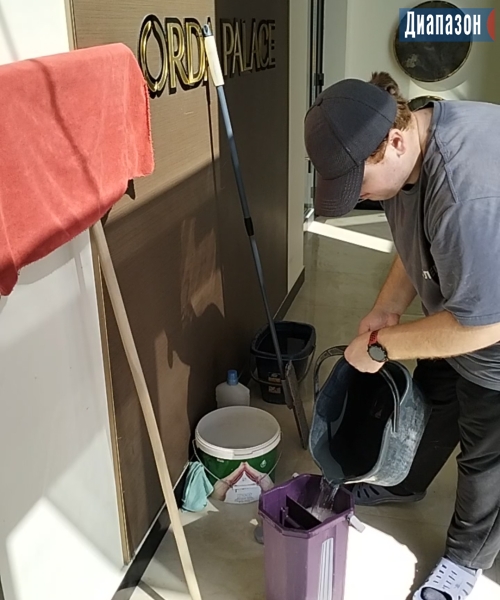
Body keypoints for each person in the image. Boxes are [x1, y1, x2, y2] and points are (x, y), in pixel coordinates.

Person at [304, 72, 500, 600]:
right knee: (435, 400)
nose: (360, 196)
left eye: (360, 183)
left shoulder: (464, 192)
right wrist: (386, 310)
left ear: (393, 140)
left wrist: (381, 347)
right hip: (469, 299)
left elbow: (481, 324)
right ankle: (406, 482)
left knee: (486, 454)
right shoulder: (410, 148)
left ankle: (465, 562)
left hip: (491, 323)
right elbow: (415, 237)